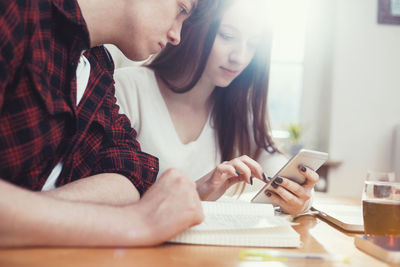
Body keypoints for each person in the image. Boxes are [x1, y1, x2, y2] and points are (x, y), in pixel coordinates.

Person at [0, 0, 214, 247]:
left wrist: (27, 215)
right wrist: (135, 223)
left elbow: (129, 172)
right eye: (182, 10)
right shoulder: (17, 11)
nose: (177, 36)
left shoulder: (96, 68)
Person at [114, 0, 319, 215]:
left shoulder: (236, 105)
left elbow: (270, 156)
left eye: (252, 45)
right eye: (228, 36)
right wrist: (197, 192)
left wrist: (302, 196)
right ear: (193, 26)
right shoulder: (127, 88)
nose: (239, 58)